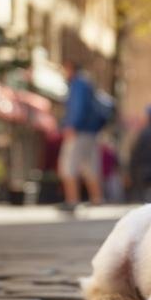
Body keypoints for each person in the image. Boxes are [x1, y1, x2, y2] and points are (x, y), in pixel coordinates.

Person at [57, 64, 113, 211]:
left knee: (68, 165)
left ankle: (72, 200)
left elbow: (77, 107)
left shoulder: (78, 84)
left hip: (79, 130)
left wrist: (71, 125)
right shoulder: (87, 82)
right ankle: (97, 198)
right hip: (91, 131)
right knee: (90, 166)